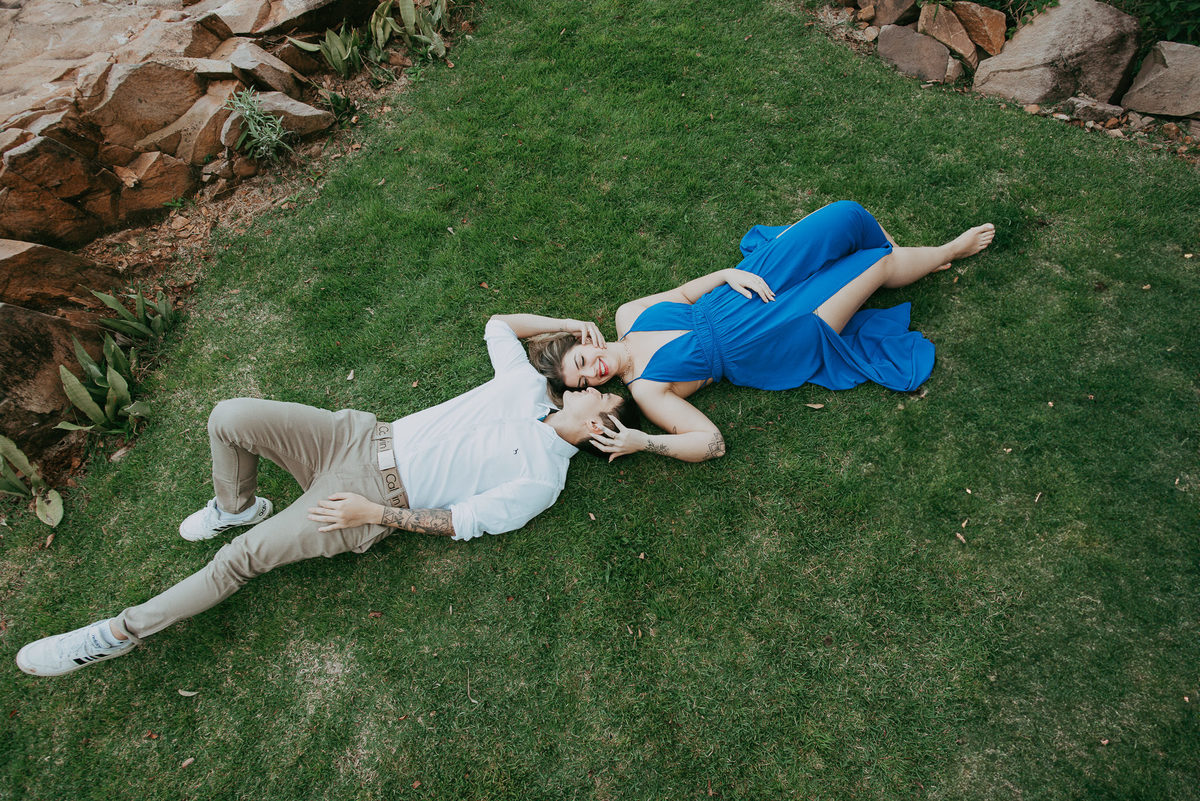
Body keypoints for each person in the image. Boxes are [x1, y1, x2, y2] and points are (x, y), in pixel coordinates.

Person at [16, 315, 637, 676]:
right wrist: (565, 328)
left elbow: (461, 522)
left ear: (600, 429)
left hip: (369, 496)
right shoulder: (525, 387)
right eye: (588, 371)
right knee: (229, 415)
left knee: (238, 561)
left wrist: (378, 516)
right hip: (356, 437)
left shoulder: (541, 481)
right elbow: (497, 323)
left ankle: (114, 635)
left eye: (598, 390)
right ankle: (237, 507)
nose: (592, 379)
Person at [525, 201, 995, 463]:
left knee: (845, 215)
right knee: (876, 262)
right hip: (772, 338)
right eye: (585, 383)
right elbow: (711, 443)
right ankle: (943, 252)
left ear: (585, 342)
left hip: (746, 292)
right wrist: (643, 442)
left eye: (583, 362)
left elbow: (686, 295)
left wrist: (729, 274)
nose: (596, 372)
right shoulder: (649, 391)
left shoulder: (629, 314)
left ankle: (888, 251)